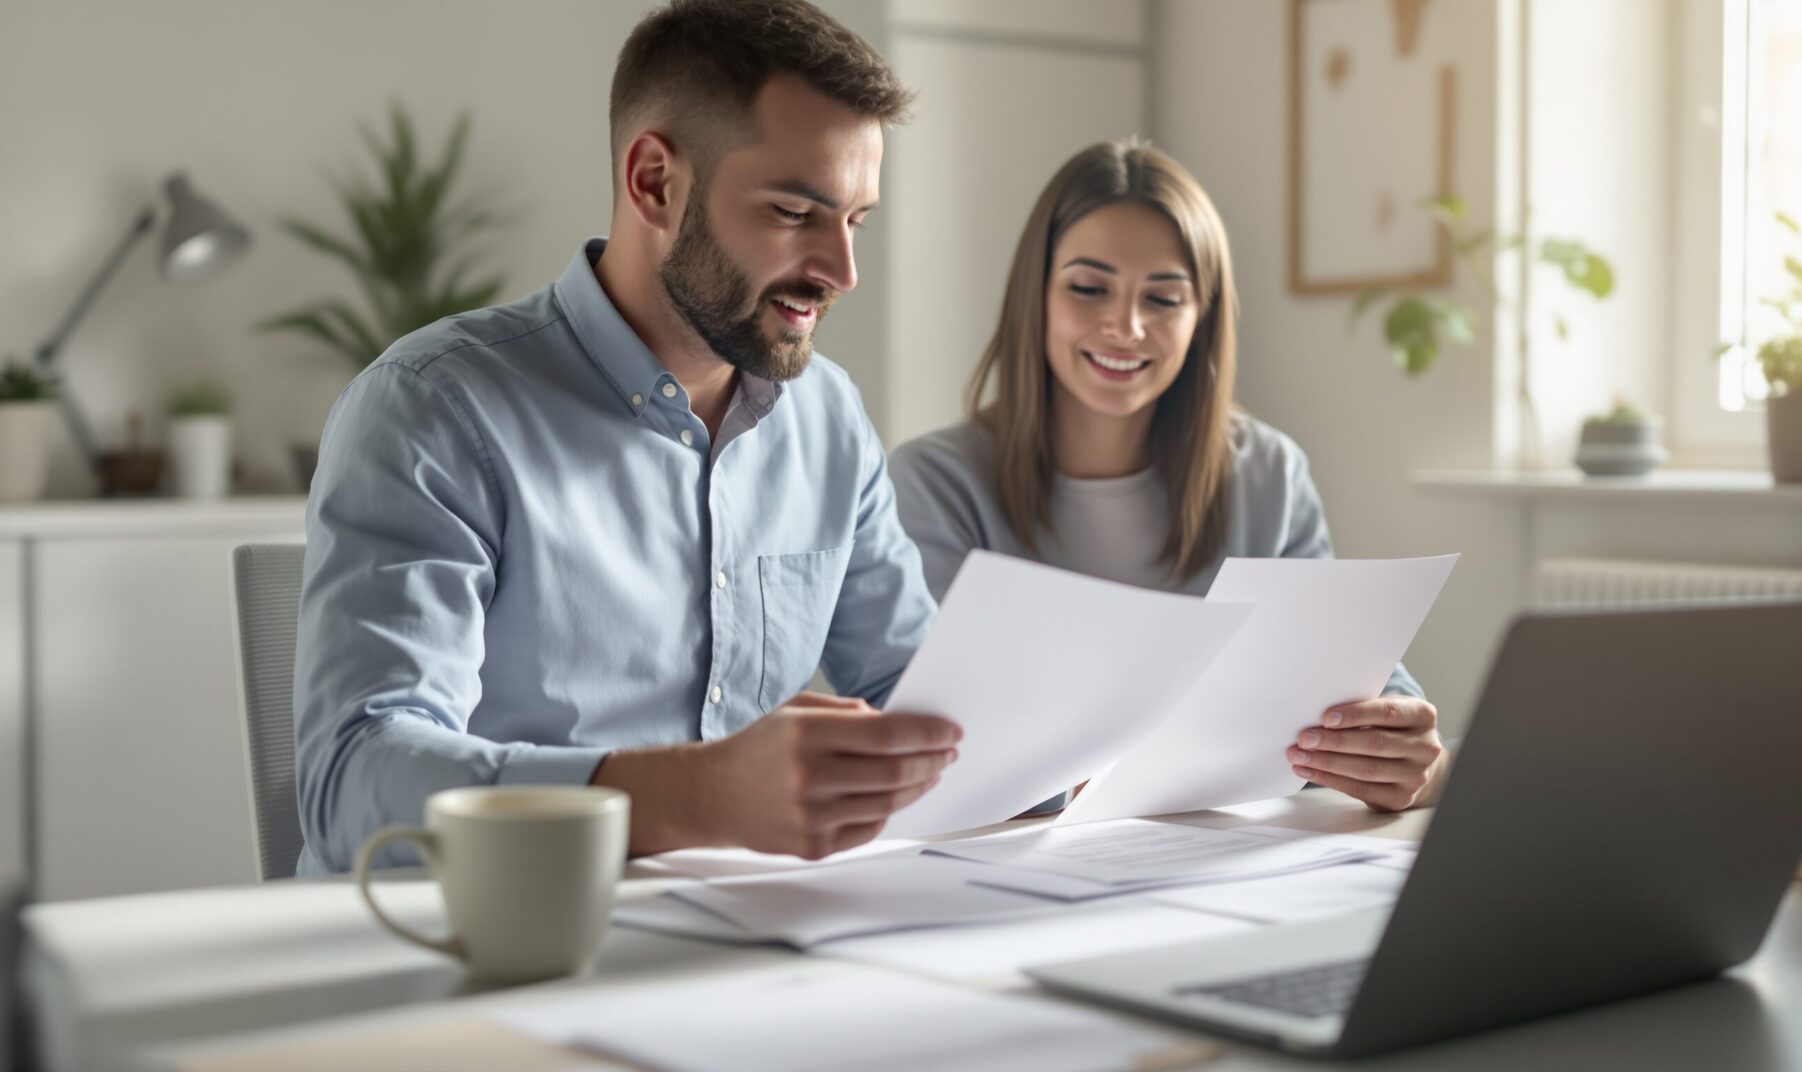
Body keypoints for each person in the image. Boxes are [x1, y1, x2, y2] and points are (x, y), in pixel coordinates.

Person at [293, 0, 962, 874]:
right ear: (653, 182)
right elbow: (353, 781)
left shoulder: (829, 418)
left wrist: (1059, 753)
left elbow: (919, 696)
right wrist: (704, 796)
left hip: (739, 947)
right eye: (796, 212)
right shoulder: (433, 409)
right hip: (477, 946)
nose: (842, 270)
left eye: (855, 220)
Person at [890, 140, 1449, 814]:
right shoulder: (935, 483)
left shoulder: (1265, 473)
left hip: (1217, 861)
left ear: (1201, 318)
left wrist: (1399, 739)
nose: (1126, 327)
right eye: (1088, 288)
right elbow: (936, 740)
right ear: (1033, 297)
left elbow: (1353, 677)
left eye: (1164, 298)